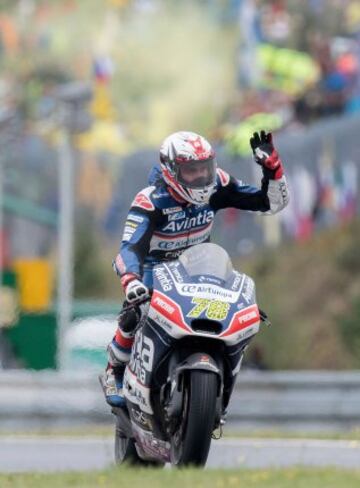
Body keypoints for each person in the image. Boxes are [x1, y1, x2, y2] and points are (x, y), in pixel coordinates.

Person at [103, 130, 289, 406]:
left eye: (206, 169)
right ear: (171, 171)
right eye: (192, 171)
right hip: (156, 269)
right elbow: (128, 248)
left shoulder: (218, 185)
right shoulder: (150, 201)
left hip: (200, 266)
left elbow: (270, 203)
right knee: (135, 313)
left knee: (236, 311)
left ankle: (221, 384)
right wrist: (132, 280)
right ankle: (115, 371)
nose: (201, 177)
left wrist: (272, 168)